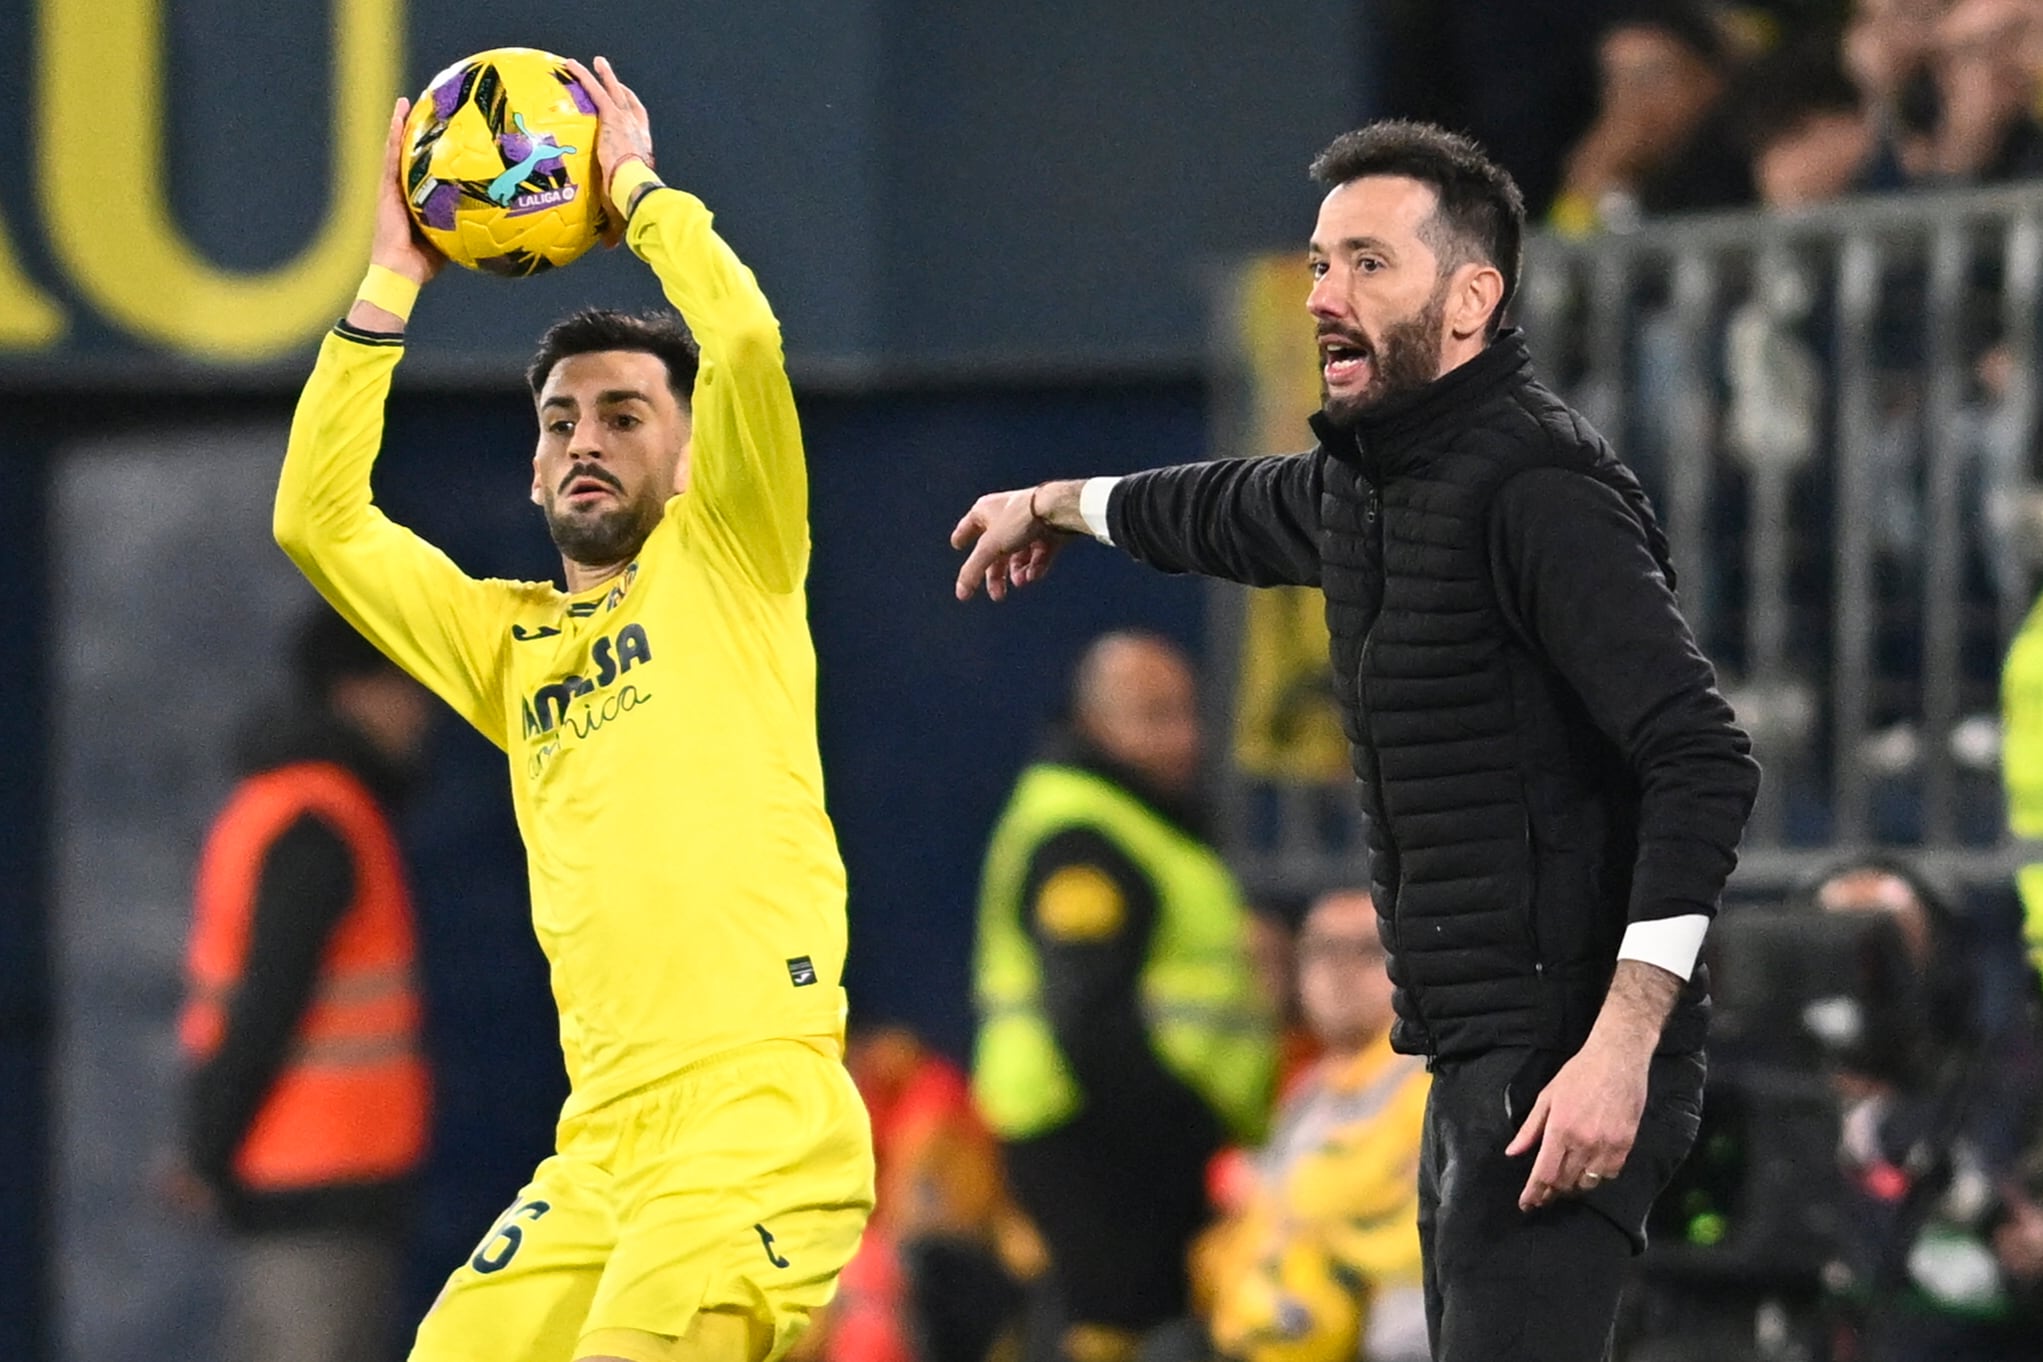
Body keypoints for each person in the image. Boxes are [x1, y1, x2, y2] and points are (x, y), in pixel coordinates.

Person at [950, 120, 1760, 1362]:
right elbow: (1220, 507)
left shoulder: (1537, 488)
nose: (1327, 296)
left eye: (1369, 264)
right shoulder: (1371, 484)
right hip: (1473, 1058)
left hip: (1564, 1061)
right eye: (1322, 264)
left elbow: (1702, 754)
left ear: (1471, 298)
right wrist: (1053, 505)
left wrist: (1622, 1045)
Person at [273, 55, 873, 1362]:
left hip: (752, 1119)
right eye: (557, 419)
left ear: (694, 450)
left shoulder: (736, 556)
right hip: (601, 1141)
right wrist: (391, 274)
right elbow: (314, 520)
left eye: (621, 412)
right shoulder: (511, 645)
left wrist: (637, 190)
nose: (583, 438)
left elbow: (749, 341)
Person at [972, 632, 1277, 1362]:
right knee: (1112, 1331)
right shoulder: (1084, 835)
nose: (1185, 738)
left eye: (1187, 714)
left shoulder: (1139, 825)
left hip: (1115, 1132)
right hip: (1098, 1131)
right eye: (1154, 715)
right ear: (1093, 723)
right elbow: (1088, 1020)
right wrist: (1184, 1128)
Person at [171, 604, 435, 1362]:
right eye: (405, 685)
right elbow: (268, 1004)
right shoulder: (322, 820)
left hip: (294, 1179)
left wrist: (208, 1148)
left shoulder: (278, 805)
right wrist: (206, 1151)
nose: (421, 710)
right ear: (355, 691)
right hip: (320, 1183)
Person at [1194, 887, 1431, 1362]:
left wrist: (1265, 1189)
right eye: (1321, 950)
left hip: (1404, 1342)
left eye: (1366, 950)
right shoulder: (1308, 1091)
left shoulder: (1430, 1080)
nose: (1337, 971)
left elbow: (1342, 1200)